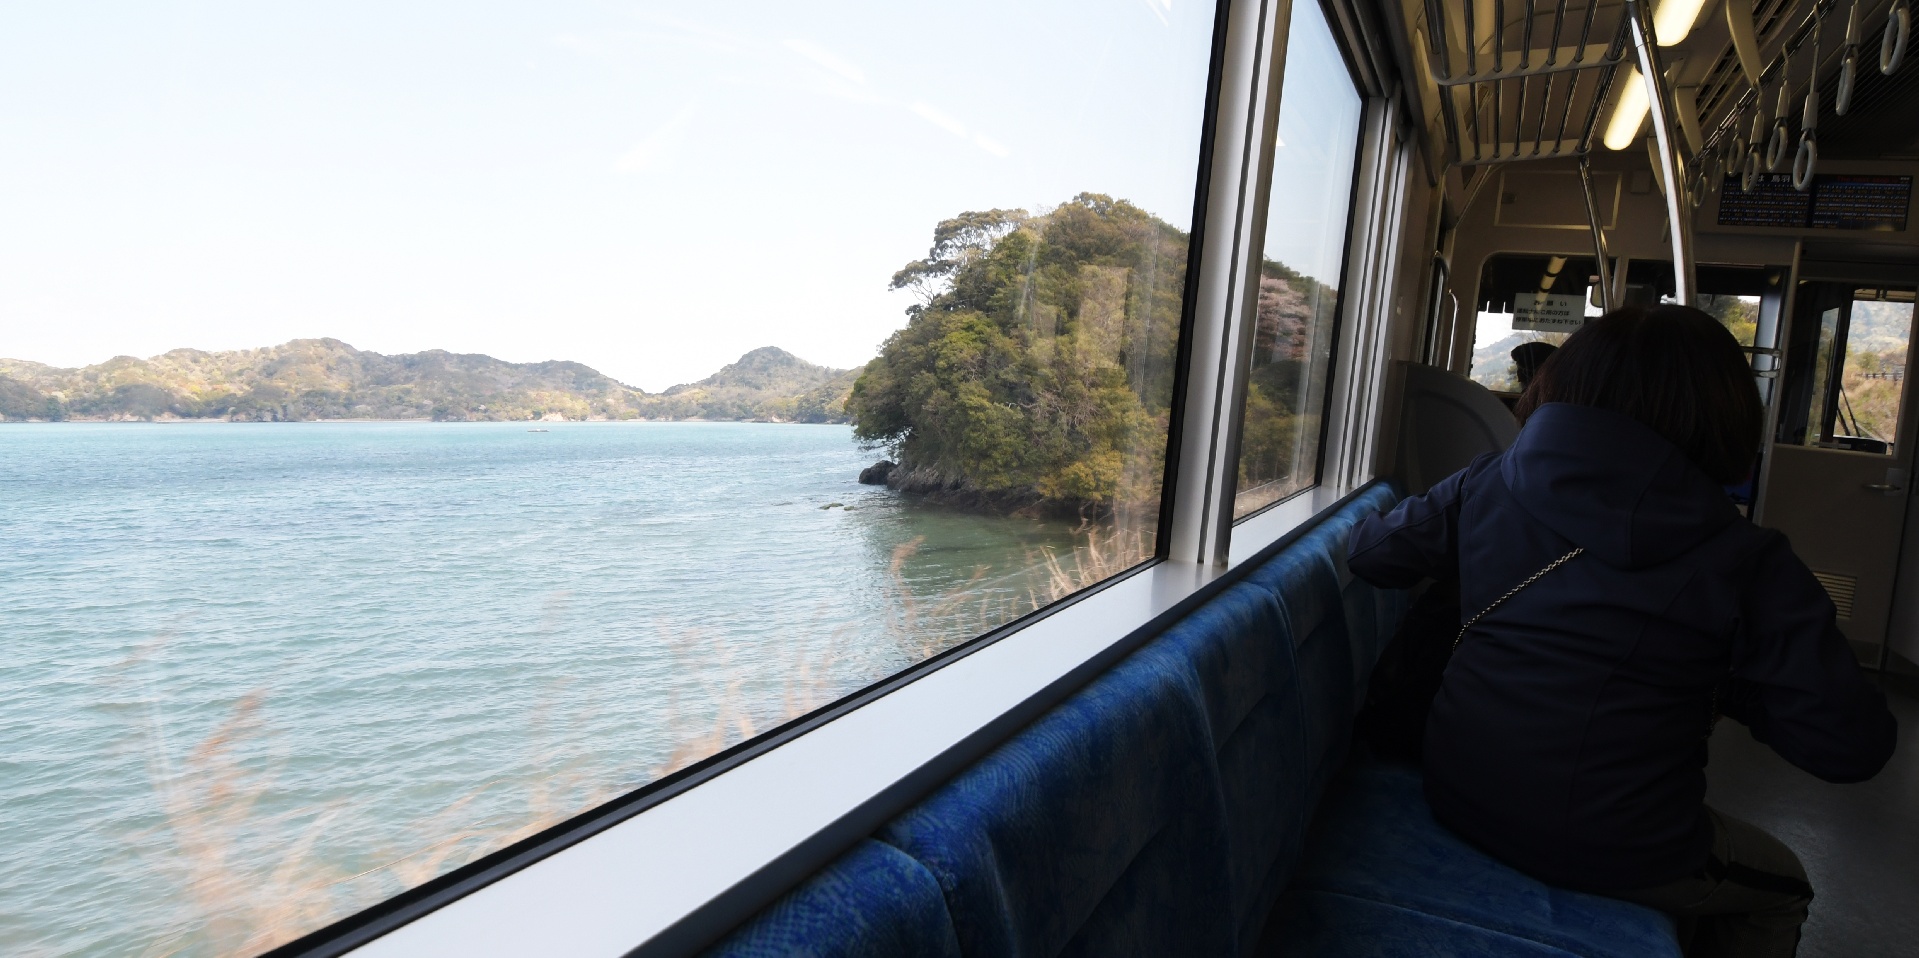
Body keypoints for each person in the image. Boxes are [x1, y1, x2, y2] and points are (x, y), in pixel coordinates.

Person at [1347, 305, 1896, 958]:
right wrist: (1723, 678)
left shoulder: (1487, 481)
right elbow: (1849, 747)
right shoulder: (1745, 559)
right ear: (1723, 415)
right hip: (1615, 848)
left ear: (1561, 384)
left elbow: (1372, 554)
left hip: (1457, 790)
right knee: (1783, 886)